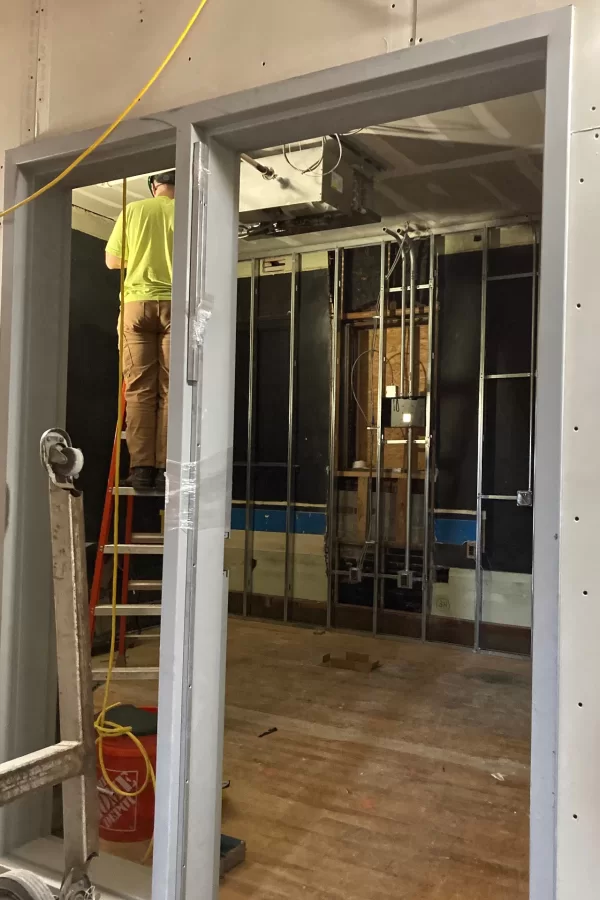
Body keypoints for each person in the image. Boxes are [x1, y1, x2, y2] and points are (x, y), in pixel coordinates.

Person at [105, 171, 175, 492]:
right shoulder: (189, 213)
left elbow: (113, 260)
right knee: (172, 389)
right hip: (177, 305)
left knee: (138, 390)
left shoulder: (133, 211)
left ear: (153, 185)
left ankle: (143, 469)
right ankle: (166, 469)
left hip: (136, 304)